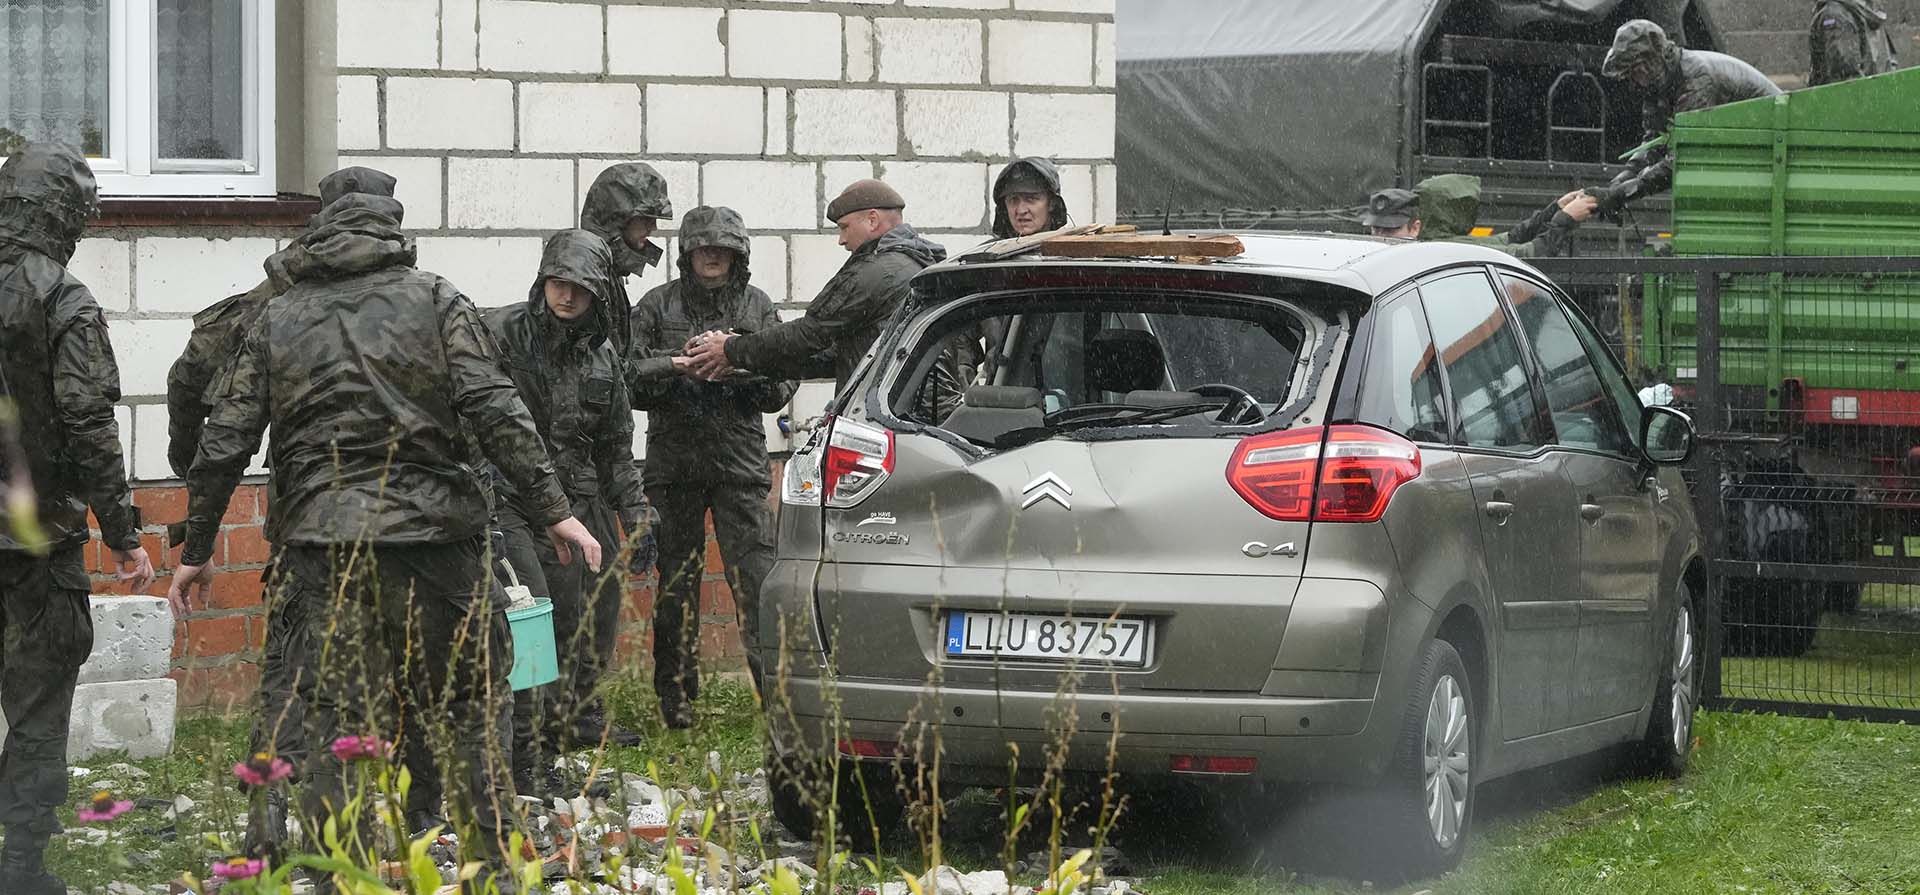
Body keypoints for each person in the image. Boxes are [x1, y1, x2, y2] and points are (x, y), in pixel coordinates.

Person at [169, 189, 601, 895]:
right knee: (467, 707)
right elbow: (495, 404)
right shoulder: (436, 299)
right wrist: (555, 508)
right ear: (393, 234)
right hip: (439, 545)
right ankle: (492, 872)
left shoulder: (278, 316)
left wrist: (196, 550)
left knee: (340, 720)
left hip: (326, 546)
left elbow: (223, 442)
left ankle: (343, 877)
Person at [162, 165, 428, 854]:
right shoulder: (403, 296)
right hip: (397, 525)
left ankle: (280, 828)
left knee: (298, 672)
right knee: (354, 677)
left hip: (311, 517)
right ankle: (338, 832)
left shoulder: (273, 298)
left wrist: (193, 481)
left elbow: (190, 382)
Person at [0, 142, 155, 895]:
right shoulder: (64, 300)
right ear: (63, 216)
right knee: (38, 701)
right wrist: (124, 532)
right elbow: (89, 424)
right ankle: (20, 866)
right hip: (39, 540)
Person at [484, 229, 650, 794]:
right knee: (529, 621)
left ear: (598, 293)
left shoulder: (602, 357)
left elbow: (616, 451)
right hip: (505, 502)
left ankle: (540, 753)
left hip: (572, 508)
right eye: (558, 284)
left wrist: (637, 513)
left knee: (566, 629)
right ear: (542, 282)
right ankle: (519, 762)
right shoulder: (500, 333)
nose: (567, 297)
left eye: (580, 288)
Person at [628, 207, 795, 727]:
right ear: (687, 254)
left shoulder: (757, 304)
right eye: (704, 248)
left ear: (738, 253)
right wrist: (677, 366)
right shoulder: (657, 305)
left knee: (757, 579)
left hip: (740, 464)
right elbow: (625, 381)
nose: (713, 256)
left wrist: (733, 367)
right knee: (676, 581)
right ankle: (675, 699)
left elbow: (781, 386)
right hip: (673, 465)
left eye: (723, 248)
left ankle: (778, 698)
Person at [684, 179, 947, 392]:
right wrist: (747, 361)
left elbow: (808, 335)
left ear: (872, 220)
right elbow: (837, 357)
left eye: (844, 227)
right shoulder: (916, 263)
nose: (841, 240)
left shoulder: (876, 271)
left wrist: (730, 349)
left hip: (892, 415)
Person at [1595, 19, 1782, 208]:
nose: (1632, 83)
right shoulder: (1661, 81)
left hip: (1770, 149)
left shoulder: (1696, 79)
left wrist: (1629, 191)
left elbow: (1686, 156)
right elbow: (1656, 139)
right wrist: (1626, 175)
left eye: (1634, 73)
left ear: (1651, 62)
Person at [1361, 175, 1597, 258]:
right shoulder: (1438, 251)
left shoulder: (1438, 249)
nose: (1381, 238)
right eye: (1376, 230)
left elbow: (1509, 240)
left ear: (1416, 228)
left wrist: (1556, 210)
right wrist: (1564, 218)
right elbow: (1532, 255)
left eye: (1390, 230)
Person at [579, 163, 675, 355]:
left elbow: (617, 357)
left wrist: (679, 359)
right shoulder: (589, 272)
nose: (653, 227)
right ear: (618, 218)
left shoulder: (608, 268)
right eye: (646, 218)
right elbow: (602, 366)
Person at [1810, 0, 1897, 86]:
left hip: (1852, 95)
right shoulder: (1868, 11)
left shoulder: (1834, 13)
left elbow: (1844, 76)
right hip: (1879, 91)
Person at [992, 157, 1070, 240]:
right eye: (1013, 200)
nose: (1021, 211)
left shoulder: (1071, 250)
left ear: (1052, 203)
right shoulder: (988, 251)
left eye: (1031, 199)